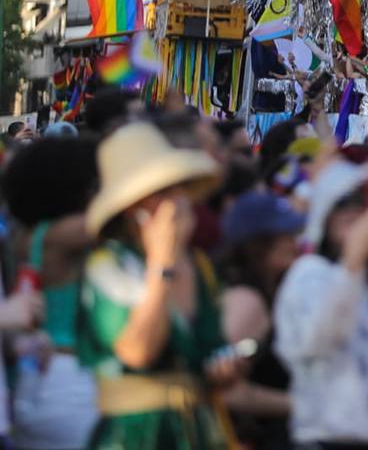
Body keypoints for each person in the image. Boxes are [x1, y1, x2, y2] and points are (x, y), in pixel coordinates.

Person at [77, 122, 240, 449]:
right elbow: (137, 351)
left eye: (179, 189)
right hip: (135, 436)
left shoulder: (199, 265)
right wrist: (161, 265)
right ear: (133, 209)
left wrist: (225, 370)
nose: (178, 202)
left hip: (197, 432)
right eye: (162, 193)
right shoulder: (110, 266)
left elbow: (211, 353)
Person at [274, 161, 368, 449]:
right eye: (343, 203)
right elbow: (318, 339)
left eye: (364, 203)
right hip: (329, 441)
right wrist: (354, 257)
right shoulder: (309, 272)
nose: (354, 211)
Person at [3, 135, 101, 449]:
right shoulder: (61, 235)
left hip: (38, 375)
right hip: (68, 379)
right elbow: (113, 215)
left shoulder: (27, 236)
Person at [219, 191, 305, 450]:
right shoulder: (247, 300)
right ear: (256, 245)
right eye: (284, 235)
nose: (294, 242)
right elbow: (226, 390)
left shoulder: (270, 292)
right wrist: (303, 405)